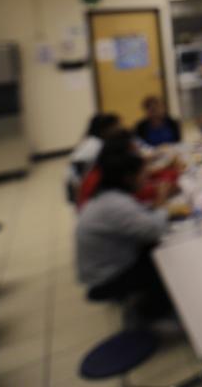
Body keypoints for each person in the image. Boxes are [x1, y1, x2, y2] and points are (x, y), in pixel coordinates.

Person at [76, 137, 173, 321]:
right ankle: (152, 313)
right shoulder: (116, 204)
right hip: (106, 277)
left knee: (159, 247)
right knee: (167, 259)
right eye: (142, 174)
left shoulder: (108, 195)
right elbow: (155, 231)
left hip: (102, 265)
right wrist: (161, 202)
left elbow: (137, 218)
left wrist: (153, 209)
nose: (146, 177)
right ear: (128, 178)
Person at [68, 113, 122, 201]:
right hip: (80, 187)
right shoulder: (96, 145)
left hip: (78, 183)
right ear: (106, 129)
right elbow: (76, 169)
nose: (119, 129)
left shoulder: (91, 141)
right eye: (116, 126)